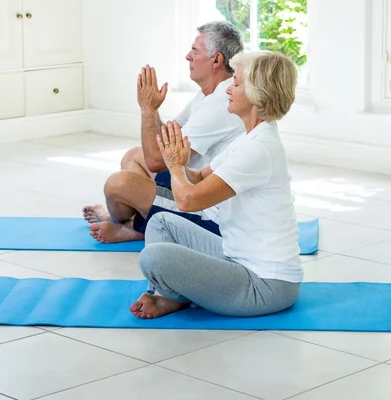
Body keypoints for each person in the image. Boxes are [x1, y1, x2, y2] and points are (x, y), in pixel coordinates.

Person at [129, 51, 302, 319]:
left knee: (153, 258)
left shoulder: (259, 149)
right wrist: (177, 157)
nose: (228, 90)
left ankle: (169, 295)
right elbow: (199, 177)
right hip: (235, 257)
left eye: (237, 84)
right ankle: (168, 295)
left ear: (257, 92)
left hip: (265, 285)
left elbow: (188, 201)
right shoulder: (250, 138)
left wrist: (174, 166)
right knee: (161, 223)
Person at [82, 21, 245, 243]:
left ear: (216, 60)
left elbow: (156, 162)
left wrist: (147, 109)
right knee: (132, 156)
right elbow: (166, 139)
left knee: (118, 184)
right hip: (191, 182)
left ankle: (133, 226)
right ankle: (139, 225)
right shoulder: (209, 94)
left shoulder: (219, 104)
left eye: (194, 51)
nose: (188, 57)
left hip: (207, 211)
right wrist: (154, 109)